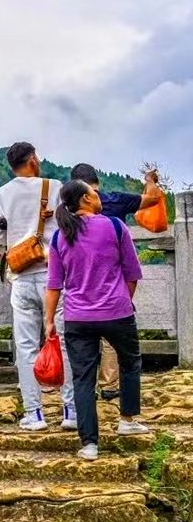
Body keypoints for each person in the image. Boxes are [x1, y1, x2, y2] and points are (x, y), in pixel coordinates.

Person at [46, 180, 151, 461]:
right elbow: (132, 274)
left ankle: (89, 444)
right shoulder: (115, 227)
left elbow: (54, 285)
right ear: (85, 199)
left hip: (77, 317)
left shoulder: (59, 237)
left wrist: (49, 321)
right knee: (130, 362)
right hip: (117, 312)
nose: (98, 196)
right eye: (94, 193)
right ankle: (127, 420)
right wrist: (123, 301)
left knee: (83, 378)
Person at [0, 142, 75, 432]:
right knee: (64, 342)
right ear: (33, 160)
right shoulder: (55, 187)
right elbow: (68, 228)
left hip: (22, 276)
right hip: (55, 276)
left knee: (25, 347)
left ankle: (34, 414)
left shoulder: (1, 194)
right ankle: (70, 410)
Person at [69, 164, 164, 402]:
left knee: (83, 335)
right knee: (113, 329)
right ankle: (109, 384)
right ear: (96, 182)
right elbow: (152, 199)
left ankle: (81, 387)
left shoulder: (67, 209)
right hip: (114, 277)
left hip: (79, 278)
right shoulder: (114, 200)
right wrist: (150, 180)